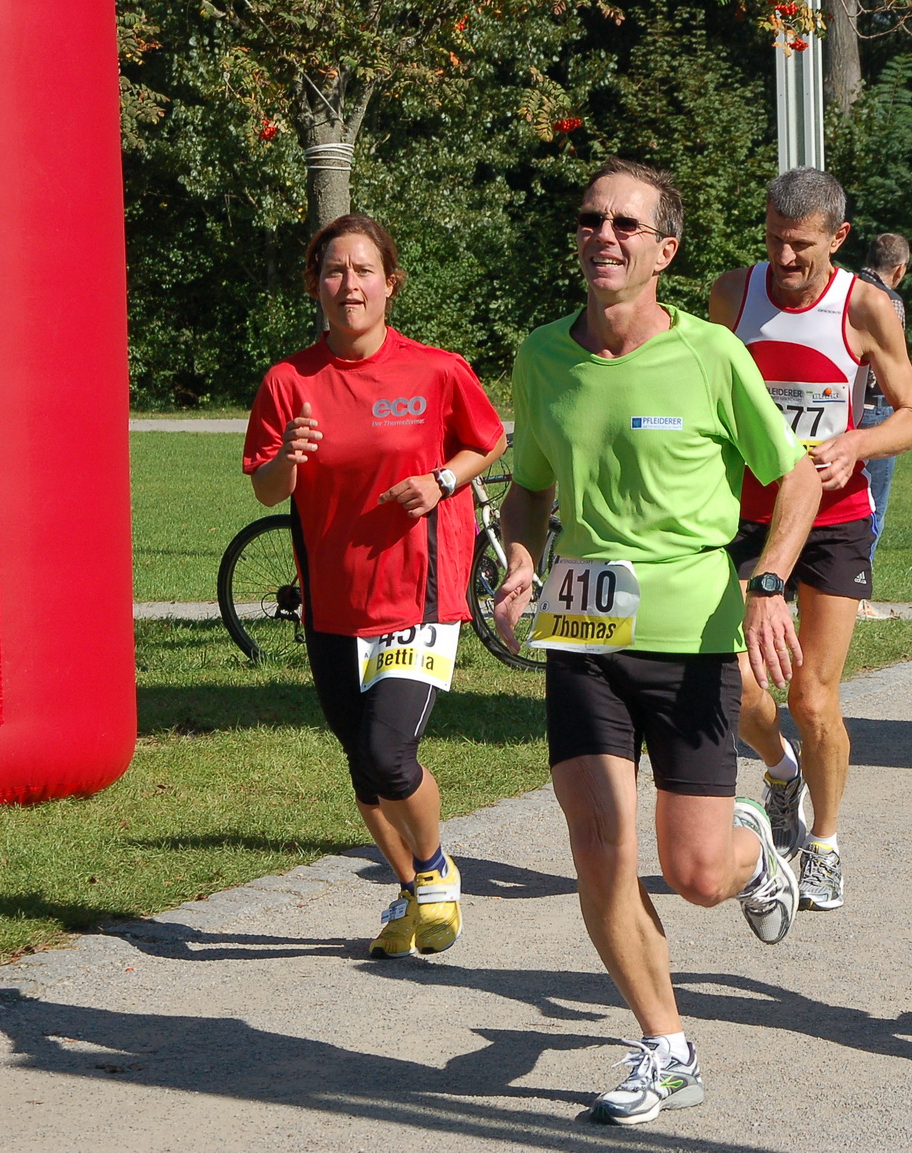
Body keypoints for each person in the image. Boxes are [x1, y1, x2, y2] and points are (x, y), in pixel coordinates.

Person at [493, 158, 820, 1125]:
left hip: (693, 638)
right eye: (591, 218)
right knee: (598, 843)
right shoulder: (543, 353)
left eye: (627, 225)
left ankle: (751, 851)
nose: (605, 235)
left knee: (694, 874)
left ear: (664, 251)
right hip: (583, 629)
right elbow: (533, 484)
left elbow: (795, 476)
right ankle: (664, 1046)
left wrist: (766, 582)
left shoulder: (713, 354)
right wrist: (518, 562)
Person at [242, 214, 507, 960]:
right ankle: (408, 887)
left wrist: (442, 480)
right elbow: (267, 491)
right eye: (334, 271)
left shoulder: (435, 369)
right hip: (332, 600)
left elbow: (489, 438)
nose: (348, 285)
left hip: (416, 591)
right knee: (362, 763)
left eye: (363, 271)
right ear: (314, 285)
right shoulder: (288, 381)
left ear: (390, 283)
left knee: (391, 752)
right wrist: (288, 457)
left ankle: (434, 870)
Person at [708, 169, 912, 914]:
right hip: (744, 516)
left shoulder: (864, 306)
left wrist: (857, 444)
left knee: (812, 694)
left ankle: (825, 845)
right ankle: (778, 772)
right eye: (772, 238)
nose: (784, 257)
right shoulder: (732, 295)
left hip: (834, 518)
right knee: (732, 681)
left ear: (837, 238)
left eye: (800, 244)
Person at [854, 232, 911, 621]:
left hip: (841, 407)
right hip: (875, 409)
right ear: (900, 269)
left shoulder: (846, 289)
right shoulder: (888, 301)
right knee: (871, 505)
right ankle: (855, 593)